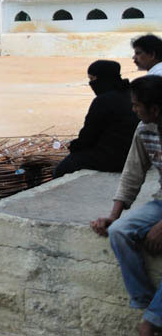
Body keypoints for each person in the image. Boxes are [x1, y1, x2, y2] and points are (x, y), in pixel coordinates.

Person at [90, 75, 162, 336]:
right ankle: (149, 305)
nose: (132, 110)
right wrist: (113, 216)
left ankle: (151, 322)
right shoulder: (145, 130)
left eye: (136, 105)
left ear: (154, 109)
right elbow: (132, 173)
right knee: (120, 232)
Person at [55, 60, 137, 178]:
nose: (91, 84)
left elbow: (88, 135)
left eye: (92, 79)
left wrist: (74, 146)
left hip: (117, 158)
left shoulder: (103, 101)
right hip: (135, 154)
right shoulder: (131, 93)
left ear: (103, 78)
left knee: (66, 166)